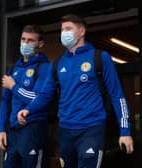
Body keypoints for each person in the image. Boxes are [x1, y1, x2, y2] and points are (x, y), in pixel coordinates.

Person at [17, 14, 134, 168]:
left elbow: (117, 95)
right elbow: (45, 94)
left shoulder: (100, 58)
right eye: (62, 29)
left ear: (81, 31)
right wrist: (29, 109)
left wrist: (125, 131)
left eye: (68, 29)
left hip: (91, 129)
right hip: (65, 131)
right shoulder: (57, 64)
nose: (63, 33)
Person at [0, 25, 49, 168]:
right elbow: (5, 101)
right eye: (23, 39)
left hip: (33, 129)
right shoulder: (13, 69)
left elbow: (38, 98)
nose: (25, 43)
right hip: (13, 131)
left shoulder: (45, 68)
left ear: (40, 44)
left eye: (31, 40)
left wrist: (13, 86)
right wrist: (1, 129)